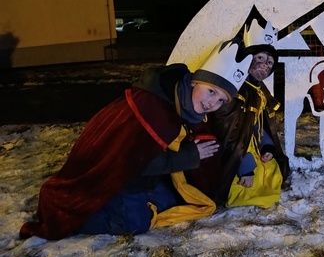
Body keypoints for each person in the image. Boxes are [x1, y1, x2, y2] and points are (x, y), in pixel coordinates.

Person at [19, 40, 253, 240]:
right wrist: (191, 155)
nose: (212, 103)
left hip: (136, 177)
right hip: (114, 179)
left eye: (221, 100)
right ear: (194, 81)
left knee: (173, 198)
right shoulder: (153, 108)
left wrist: (244, 164)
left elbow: (208, 137)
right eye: (211, 91)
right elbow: (136, 161)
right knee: (137, 222)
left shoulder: (182, 102)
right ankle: (79, 219)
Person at [186, 19, 290, 209]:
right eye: (260, 58)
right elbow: (227, 133)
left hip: (251, 149)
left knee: (273, 171)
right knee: (251, 187)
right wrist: (245, 167)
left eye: (269, 62)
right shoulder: (233, 92)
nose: (265, 66)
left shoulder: (258, 90)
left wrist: (267, 146)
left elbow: (257, 124)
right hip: (233, 158)